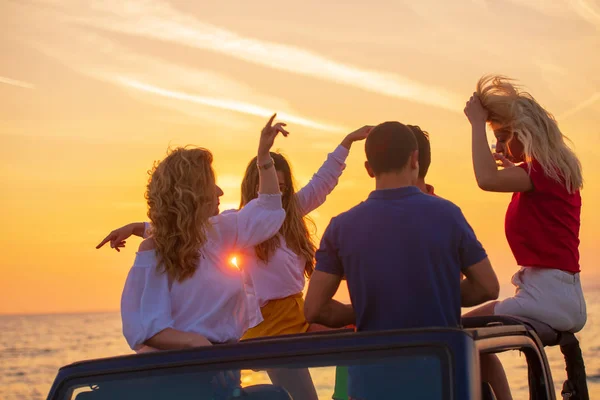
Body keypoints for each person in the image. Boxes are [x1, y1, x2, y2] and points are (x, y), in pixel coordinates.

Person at [304, 121, 500, 399]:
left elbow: (314, 309)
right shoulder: (447, 215)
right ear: (415, 159)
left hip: (373, 386)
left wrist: (365, 307)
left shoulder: (341, 227)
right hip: (441, 380)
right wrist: (432, 295)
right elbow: (488, 287)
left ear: (369, 168)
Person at [100, 115, 287, 397]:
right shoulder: (154, 251)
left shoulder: (220, 232)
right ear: (192, 193)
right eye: (212, 183)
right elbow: (148, 329)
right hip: (181, 378)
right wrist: (199, 346)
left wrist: (264, 157)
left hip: (223, 371)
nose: (221, 191)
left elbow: (269, 209)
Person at [463, 75, 586, 400]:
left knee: (458, 333)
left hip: (546, 297)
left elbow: (485, 179)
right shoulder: (547, 172)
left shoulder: (543, 172)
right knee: (473, 339)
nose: (499, 148)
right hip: (554, 293)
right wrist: (509, 159)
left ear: (525, 132)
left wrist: (477, 124)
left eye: (502, 137)